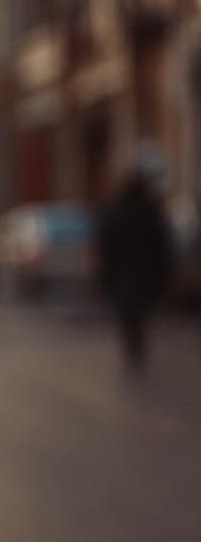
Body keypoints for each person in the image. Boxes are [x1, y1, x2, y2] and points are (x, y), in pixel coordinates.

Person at [96, 149, 176, 376]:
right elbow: (162, 247)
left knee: (128, 315)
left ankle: (133, 348)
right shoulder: (149, 211)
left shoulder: (116, 210)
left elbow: (105, 245)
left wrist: (104, 275)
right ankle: (136, 348)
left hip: (122, 276)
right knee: (138, 315)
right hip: (143, 275)